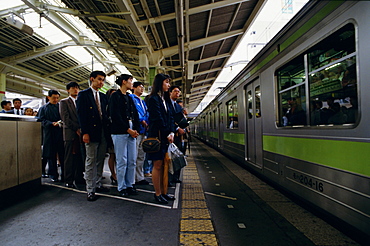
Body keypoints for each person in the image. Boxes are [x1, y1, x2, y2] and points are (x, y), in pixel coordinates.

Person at [76, 71, 110, 201]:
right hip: (90, 132)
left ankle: (98, 184)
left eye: (103, 80)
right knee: (90, 160)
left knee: (100, 159)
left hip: (102, 132)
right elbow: (81, 115)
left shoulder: (103, 96)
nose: (101, 82)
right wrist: (85, 132)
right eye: (99, 79)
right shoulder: (83, 95)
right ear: (92, 79)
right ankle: (90, 189)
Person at [109, 74, 140, 197]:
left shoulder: (129, 97)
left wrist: (136, 129)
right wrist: (127, 129)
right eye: (130, 81)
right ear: (123, 82)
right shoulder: (114, 97)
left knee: (132, 160)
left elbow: (135, 114)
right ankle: (121, 186)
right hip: (120, 131)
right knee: (122, 160)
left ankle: (130, 184)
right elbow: (115, 116)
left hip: (132, 130)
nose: (132, 83)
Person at [147, 73, 176, 204]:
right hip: (157, 136)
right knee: (157, 164)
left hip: (165, 136)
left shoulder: (166, 99)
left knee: (164, 164)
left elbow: (171, 117)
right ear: (160, 83)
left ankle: (164, 192)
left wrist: (172, 132)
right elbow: (157, 118)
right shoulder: (153, 99)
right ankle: (157, 193)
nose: (168, 85)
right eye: (166, 82)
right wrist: (167, 133)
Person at [59, 82, 85, 188]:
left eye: (77, 88)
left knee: (80, 156)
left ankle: (79, 177)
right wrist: (77, 128)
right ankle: (68, 179)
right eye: (73, 88)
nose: (76, 90)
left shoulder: (81, 102)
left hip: (81, 133)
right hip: (70, 133)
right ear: (68, 90)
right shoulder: (64, 102)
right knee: (69, 157)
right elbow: (65, 118)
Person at [37, 90, 64, 182]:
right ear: (48, 97)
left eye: (57, 98)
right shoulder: (43, 108)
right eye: (54, 98)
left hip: (60, 134)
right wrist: (51, 123)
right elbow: (41, 120)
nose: (56, 100)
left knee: (62, 155)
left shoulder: (60, 107)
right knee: (51, 156)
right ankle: (53, 175)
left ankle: (64, 174)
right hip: (49, 134)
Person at [129, 81, 150, 186]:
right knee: (134, 155)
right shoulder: (131, 98)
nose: (142, 89)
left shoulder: (142, 101)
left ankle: (139, 177)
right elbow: (135, 113)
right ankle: (131, 179)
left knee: (141, 155)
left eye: (143, 87)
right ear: (134, 87)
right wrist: (141, 120)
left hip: (144, 131)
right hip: (136, 130)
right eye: (140, 87)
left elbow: (147, 113)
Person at [168, 85, 187, 183]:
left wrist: (183, 128)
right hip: (170, 135)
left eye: (178, 91)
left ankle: (176, 177)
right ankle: (169, 178)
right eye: (175, 91)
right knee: (170, 157)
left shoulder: (178, 106)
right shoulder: (167, 104)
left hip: (179, 136)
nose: (177, 93)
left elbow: (181, 120)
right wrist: (176, 128)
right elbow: (169, 119)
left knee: (178, 156)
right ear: (170, 92)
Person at [105, 88, 117, 185]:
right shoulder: (107, 106)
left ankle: (118, 174)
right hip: (110, 133)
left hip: (119, 132)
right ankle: (113, 174)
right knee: (112, 154)